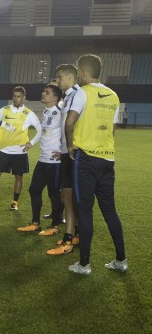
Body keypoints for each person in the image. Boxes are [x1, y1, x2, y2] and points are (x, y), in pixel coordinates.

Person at [65, 54, 127, 275]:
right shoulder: (113, 95)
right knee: (110, 211)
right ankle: (121, 260)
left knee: (85, 211)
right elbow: (112, 129)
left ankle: (84, 264)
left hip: (86, 159)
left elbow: (69, 122)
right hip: (107, 158)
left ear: (82, 72)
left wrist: (70, 146)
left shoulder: (82, 92)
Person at [0, 86, 41, 211]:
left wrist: (31, 143)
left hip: (20, 152)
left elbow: (40, 129)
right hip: (4, 151)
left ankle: (14, 203)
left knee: (18, 177)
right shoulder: (4, 110)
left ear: (24, 98)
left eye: (19, 96)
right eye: (14, 96)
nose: (16, 99)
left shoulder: (28, 114)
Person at [16, 83, 63, 234]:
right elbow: (43, 132)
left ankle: (55, 226)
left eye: (47, 92)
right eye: (44, 91)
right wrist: (31, 143)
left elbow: (70, 131)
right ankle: (35, 223)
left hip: (55, 162)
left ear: (55, 97)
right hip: (43, 159)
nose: (43, 93)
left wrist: (63, 152)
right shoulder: (46, 111)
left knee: (54, 194)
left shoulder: (61, 112)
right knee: (34, 189)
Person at [47, 64, 81, 255]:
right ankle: (72, 235)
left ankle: (71, 239)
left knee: (73, 197)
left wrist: (70, 147)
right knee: (67, 196)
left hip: (73, 154)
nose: (57, 80)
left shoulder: (78, 94)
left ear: (69, 77)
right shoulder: (68, 96)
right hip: (65, 154)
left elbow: (73, 124)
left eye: (59, 77)